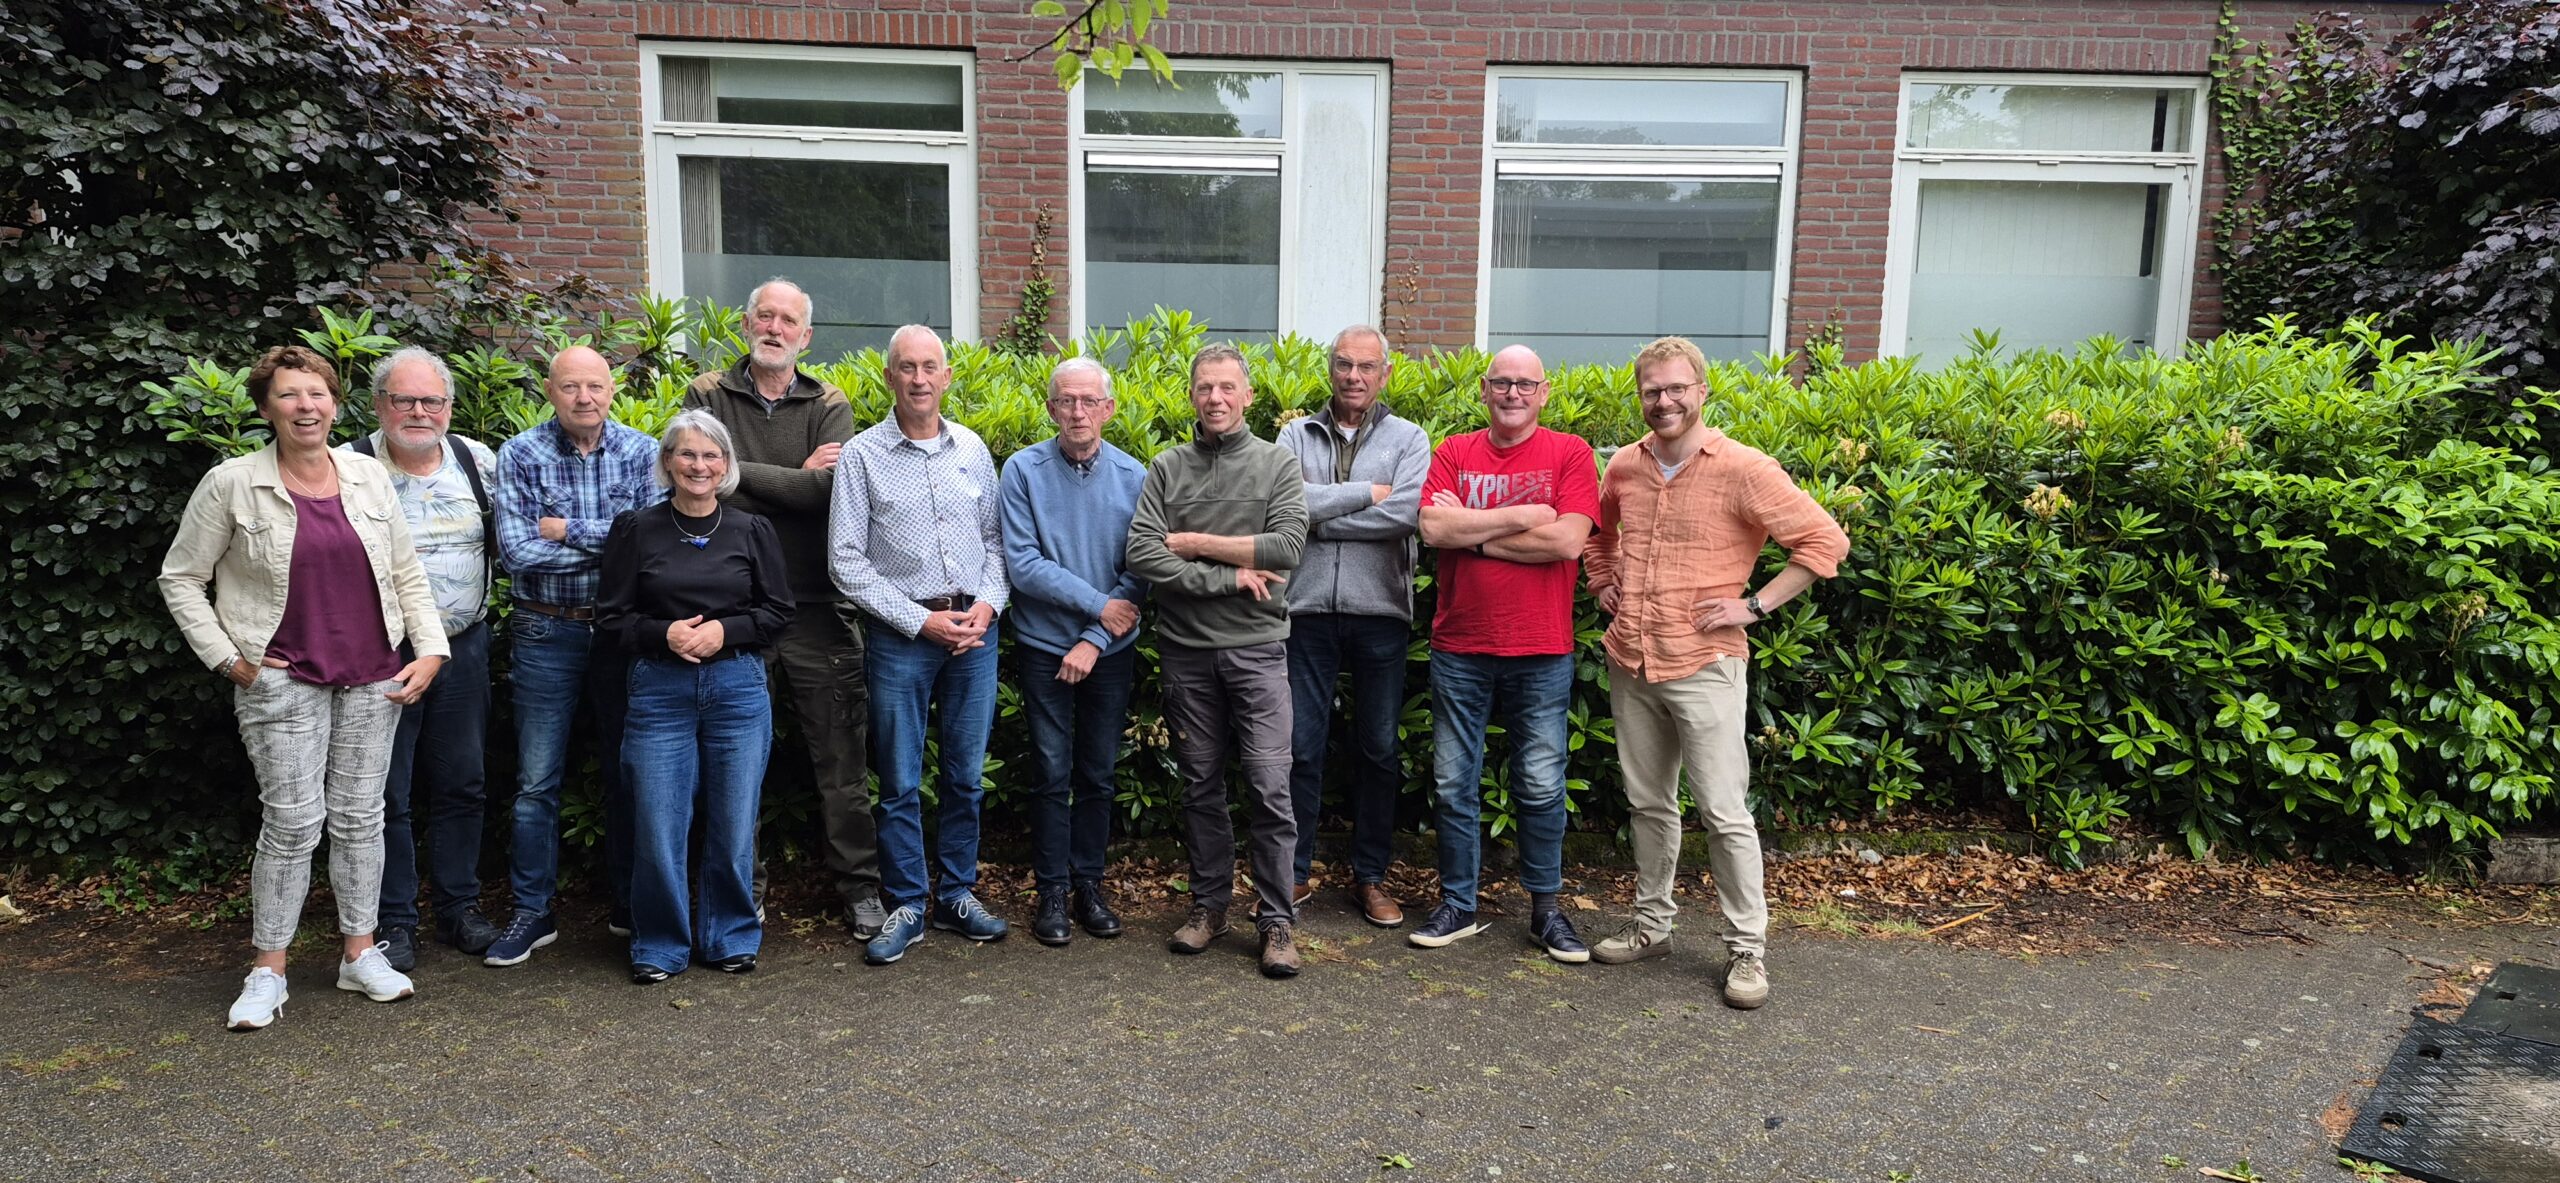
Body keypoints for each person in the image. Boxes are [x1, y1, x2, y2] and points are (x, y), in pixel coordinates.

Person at [158, 345, 448, 1030]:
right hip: (281, 678)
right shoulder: (232, 483)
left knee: (361, 817)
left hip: (374, 676)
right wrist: (228, 660)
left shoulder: (368, 476)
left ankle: (359, 954)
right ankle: (268, 970)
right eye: (289, 394)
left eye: (317, 393)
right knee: (291, 823)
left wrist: (431, 648)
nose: (305, 406)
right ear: (266, 408)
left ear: (335, 405)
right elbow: (181, 578)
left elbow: (405, 570)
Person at [1584, 336, 1848, 1010]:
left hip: (1705, 663)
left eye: (1677, 388)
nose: (1664, 400)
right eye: (1652, 390)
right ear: (1640, 395)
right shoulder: (1625, 465)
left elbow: (1824, 541)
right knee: (1648, 804)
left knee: (1724, 812)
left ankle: (1747, 949)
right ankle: (1652, 926)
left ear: (1702, 391)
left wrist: (1754, 606)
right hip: (1632, 657)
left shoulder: (1744, 468)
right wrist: (1602, 580)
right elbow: (1597, 530)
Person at [681, 279, 884, 941]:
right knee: (735, 766)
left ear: (806, 335)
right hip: (733, 611)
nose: (774, 327)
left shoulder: (829, 401)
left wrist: (738, 473)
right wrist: (790, 474)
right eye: (764, 316)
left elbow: (828, 492)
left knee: (842, 763)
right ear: (745, 324)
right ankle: (741, 892)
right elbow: (697, 479)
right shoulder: (708, 394)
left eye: (787, 320)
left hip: (818, 607)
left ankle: (861, 890)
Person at [1124, 343, 1310, 978]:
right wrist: (1227, 577)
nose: (1216, 398)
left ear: (1248, 395)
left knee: (1269, 785)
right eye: (1205, 387)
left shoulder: (1277, 464)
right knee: (1200, 786)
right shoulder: (1167, 467)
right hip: (1187, 655)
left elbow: (1286, 547)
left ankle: (1277, 919)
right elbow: (1143, 553)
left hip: (1258, 653)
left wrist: (1197, 543)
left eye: (1228, 387)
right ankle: (1210, 907)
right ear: (1192, 396)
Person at [828, 324, 1011, 965]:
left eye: (930, 366)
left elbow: (996, 541)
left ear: (947, 376)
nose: (919, 378)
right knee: (900, 780)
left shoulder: (972, 449)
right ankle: (907, 902)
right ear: (889, 377)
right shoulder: (862, 456)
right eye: (906, 367)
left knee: (965, 776)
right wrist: (918, 621)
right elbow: (845, 561)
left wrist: (987, 606)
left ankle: (956, 894)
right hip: (902, 638)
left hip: (975, 635)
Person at [1410, 345, 1598, 963]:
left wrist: (1475, 533)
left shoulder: (1570, 453)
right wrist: (1525, 515)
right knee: (1452, 784)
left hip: (1541, 648)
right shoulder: (1454, 451)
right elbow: (1433, 529)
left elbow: (1567, 542)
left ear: (1544, 393)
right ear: (1484, 390)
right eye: (1501, 383)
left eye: (1525, 384)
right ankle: (1458, 905)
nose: (1512, 393)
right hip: (1460, 646)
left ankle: (1546, 911)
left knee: (1541, 785)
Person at [600, 411, 794, 983]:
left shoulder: (751, 529)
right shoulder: (636, 529)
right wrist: (664, 634)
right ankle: (660, 943)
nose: (699, 465)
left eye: (711, 455)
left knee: (734, 822)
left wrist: (723, 632)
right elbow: (611, 618)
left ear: (726, 464)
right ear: (667, 462)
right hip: (659, 689)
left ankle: (730, 936)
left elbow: (778, 611)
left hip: (737, 687)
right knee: (658, 824)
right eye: (687, 454)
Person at [490, 346, 660, 967]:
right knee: (537, 780)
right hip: (545, 630)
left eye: (594, 386)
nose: (583, 397)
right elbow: (517, 553)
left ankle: (632, 905)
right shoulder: (520, 454)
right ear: (550, 390)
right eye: (570, 387)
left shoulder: (644, 451)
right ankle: (531, 911)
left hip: (621, 634)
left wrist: (564, 529)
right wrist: (613, 541)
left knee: (630, 771)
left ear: (612, 389)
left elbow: (649, 547)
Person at [350, 347, 501, 969]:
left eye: (431, 400)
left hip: (463, 648)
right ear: (378, 404)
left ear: (449, 407)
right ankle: (393, 920)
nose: (419, 411)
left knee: (463, 782)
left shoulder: (477, 460)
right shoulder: (350, 466)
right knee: (386, 791)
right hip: (380, 654)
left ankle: (459, 908)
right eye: (404, 399)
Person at [1278, 325, 1430, 927]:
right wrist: (1367, 492)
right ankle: (1293, 872)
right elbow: (1284, 506)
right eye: (1344, 364)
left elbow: (1406, 514)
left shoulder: (1409, 438)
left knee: (1379, 749)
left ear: (1385, 373)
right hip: (1307, 611)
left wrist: (1321, 516)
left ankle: (1371, 877)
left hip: (1380, 612)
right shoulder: (1294, 434)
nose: (1354, 376)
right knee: (1300, 747)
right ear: (1330, 368)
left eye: (1367, 367)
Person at [998, 357, 1147, 946]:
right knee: (1050, 771)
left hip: (1110, 651)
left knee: (1098, 774)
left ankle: (1089, 885)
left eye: (1089, 401)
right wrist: (1098, 609)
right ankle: (1052, 891)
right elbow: (1024, 564)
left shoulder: (1135, 476)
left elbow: (1140, 570)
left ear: (1108, 409)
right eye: (1066, 400)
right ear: (1051, 407)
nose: (1078, 411)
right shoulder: (1022, 470)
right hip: (1043, 647)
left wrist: (1094, 637)